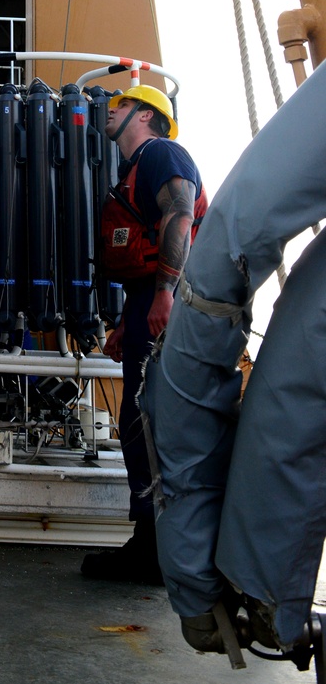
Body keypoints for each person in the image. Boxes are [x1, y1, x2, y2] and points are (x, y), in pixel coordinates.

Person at [81, 86, 207, 585]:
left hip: (165, 300)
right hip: (144, 302)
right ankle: (150, 542)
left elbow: (179, 212)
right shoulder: (131, 170)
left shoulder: (161, 153)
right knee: (137, 421)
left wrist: (164, 294)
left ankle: (156, 551)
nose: (109, 110)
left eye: (119, 105)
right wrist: (127, 320)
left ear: (146, 115)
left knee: (149, 423)